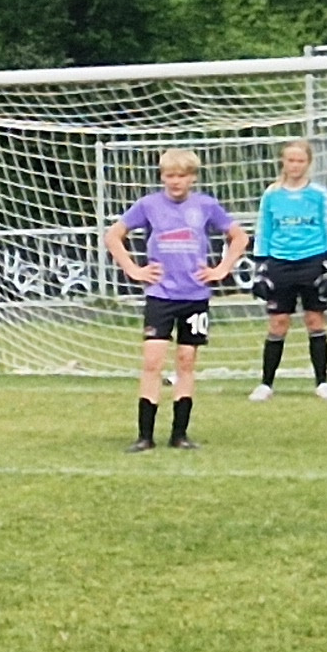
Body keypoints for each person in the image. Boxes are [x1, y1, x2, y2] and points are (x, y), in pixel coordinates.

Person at [107, 148, 242, 450]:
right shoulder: (148, 205)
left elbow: (239, 236)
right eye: (170, 175)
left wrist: (221, 269)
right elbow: (113, 235)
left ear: (192, 177)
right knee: (152, 361)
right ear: (162, 177)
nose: (176, 181)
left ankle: (179, 434)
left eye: (182, 175)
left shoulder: (206, 205)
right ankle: (145, 436)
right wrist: (133, 269)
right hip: (161, 296)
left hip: (195, 296)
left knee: (186, 361)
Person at [246, 138, 327, 401]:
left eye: (300, 160)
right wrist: (261, 267)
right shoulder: (272, 194)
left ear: (308, 163)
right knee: (278, 323)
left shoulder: (319, 194)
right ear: (283, 162)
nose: (295, 165)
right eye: (290, 160)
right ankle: (266, 384)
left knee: (315, 320)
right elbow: (264, 229)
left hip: (312, 260)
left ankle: (322, 382)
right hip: (280, 262)